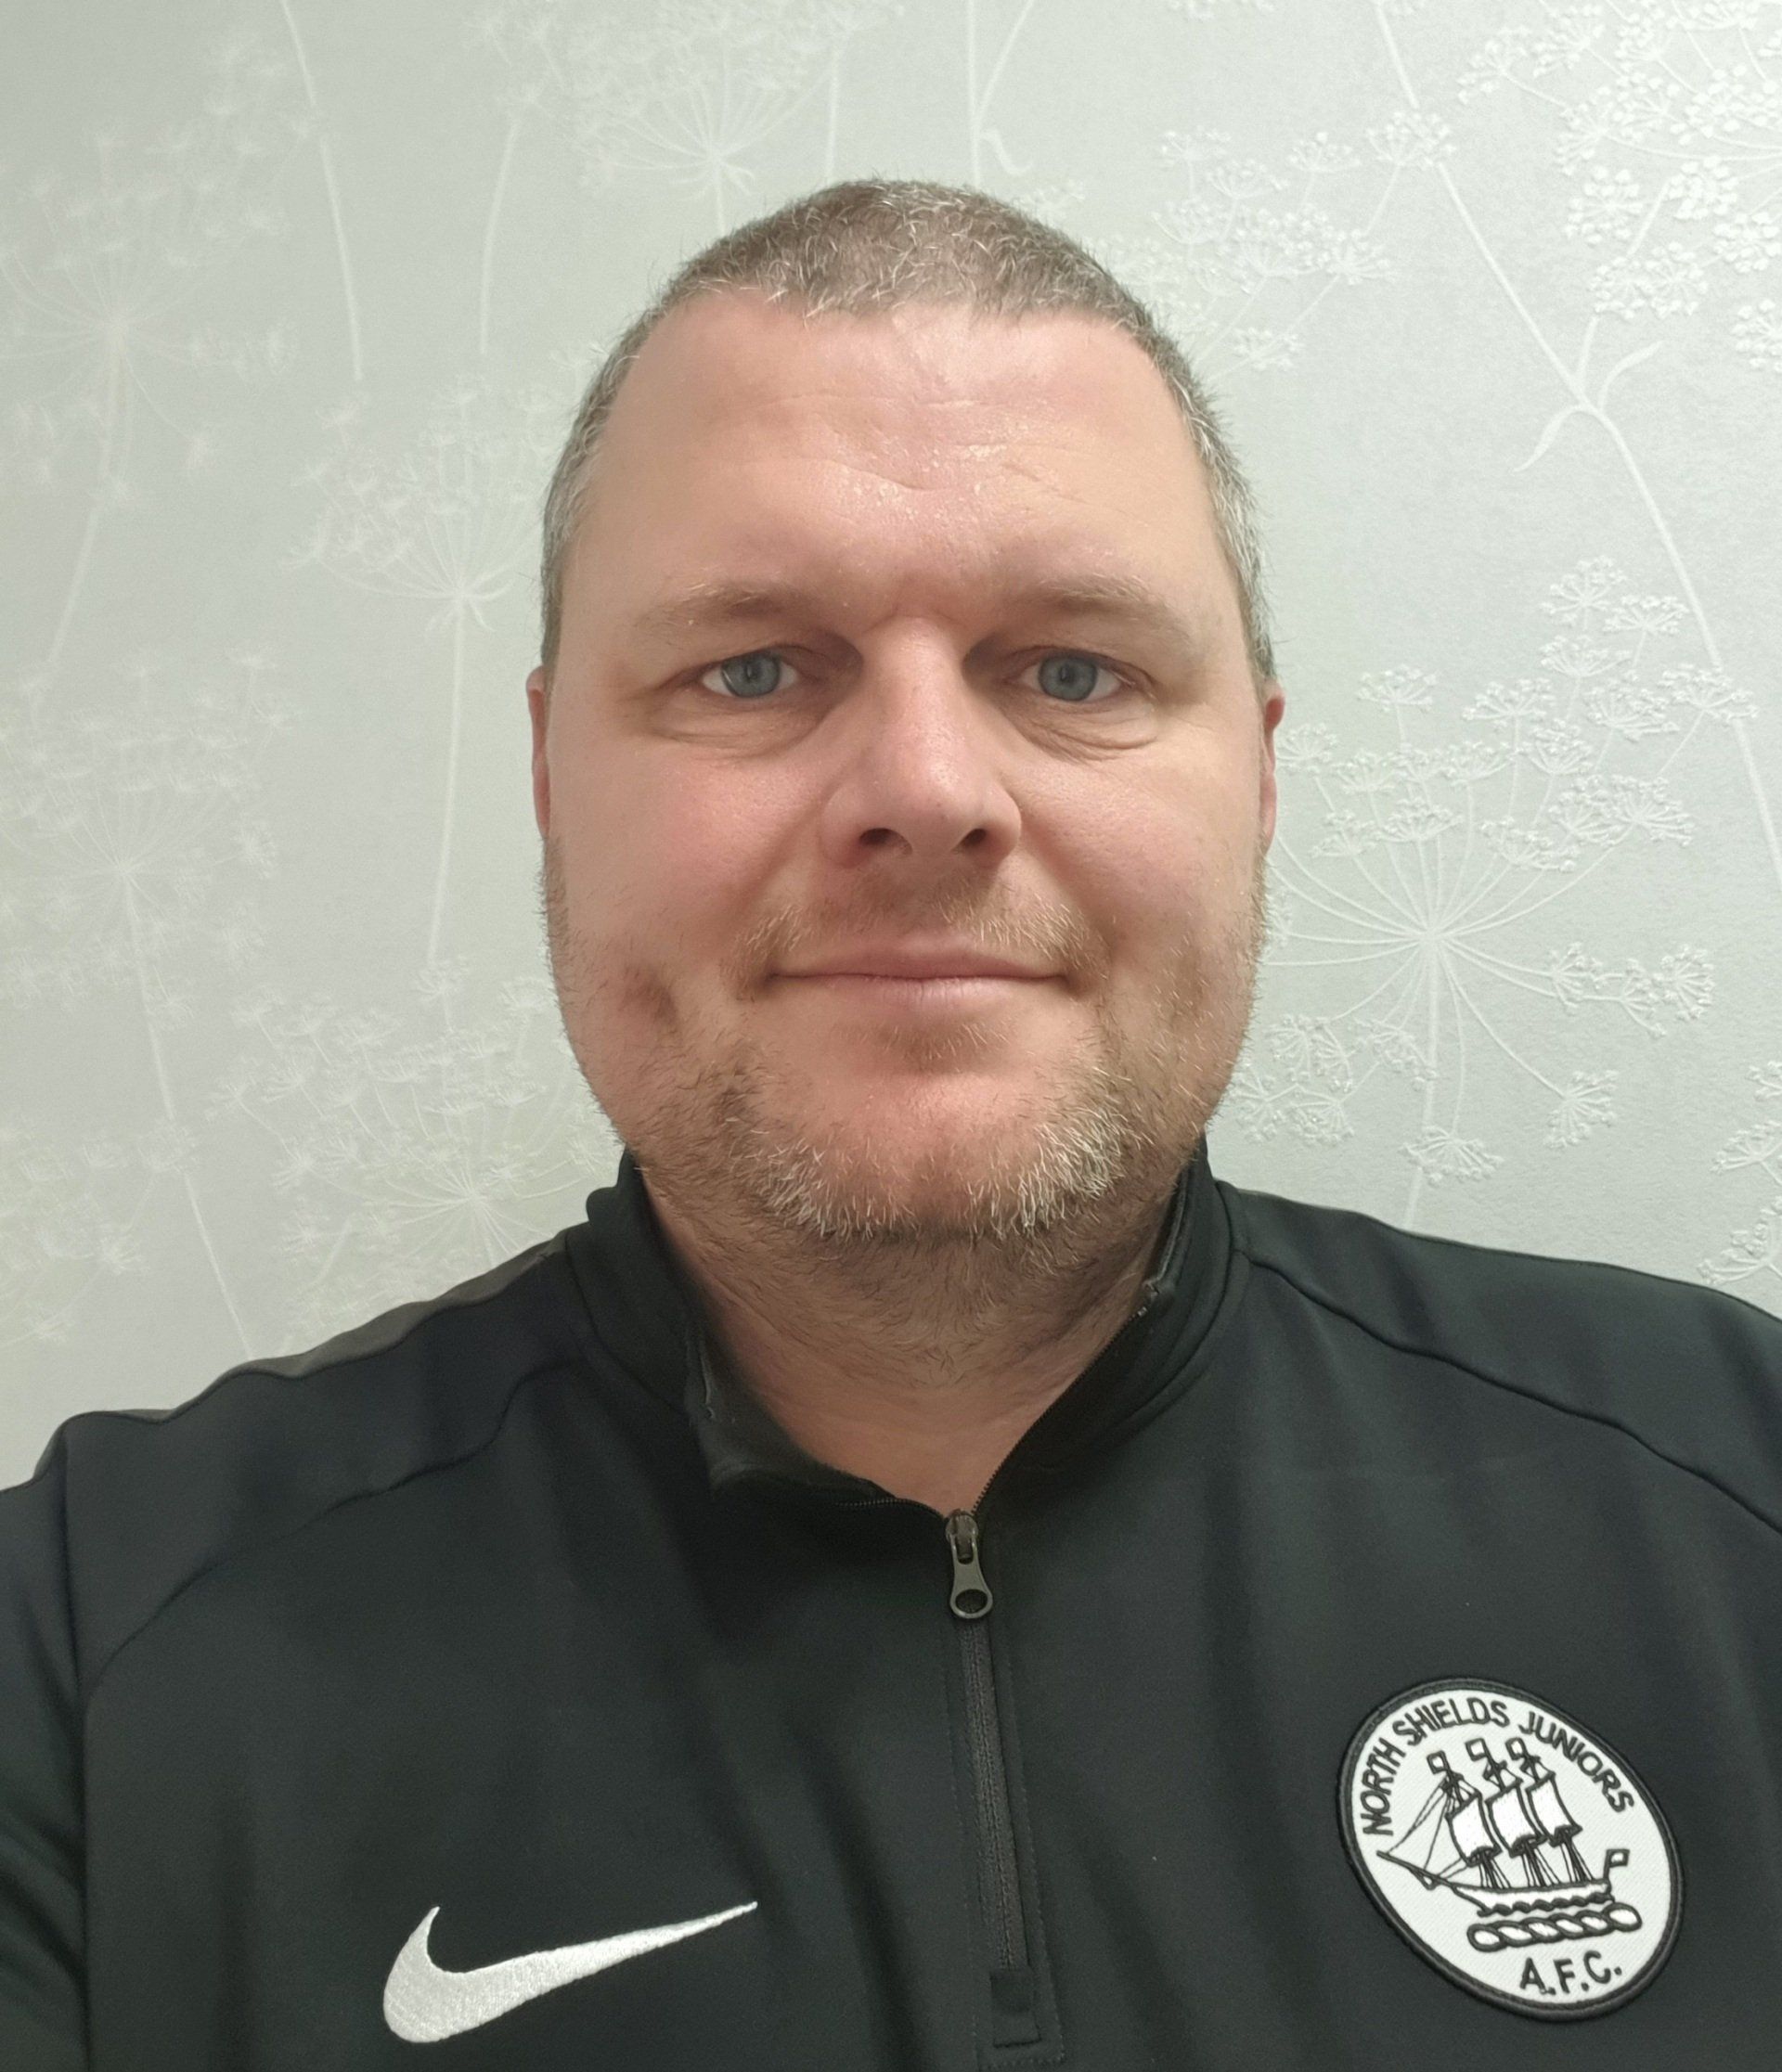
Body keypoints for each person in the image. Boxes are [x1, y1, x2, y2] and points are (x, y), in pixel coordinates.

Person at [3, 179, 1779, 2071]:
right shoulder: (87, 1659)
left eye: (1074, 671)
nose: (928, 791)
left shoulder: (1733, 1495)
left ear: (1258, 779)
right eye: (753, 669)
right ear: (548, 774)